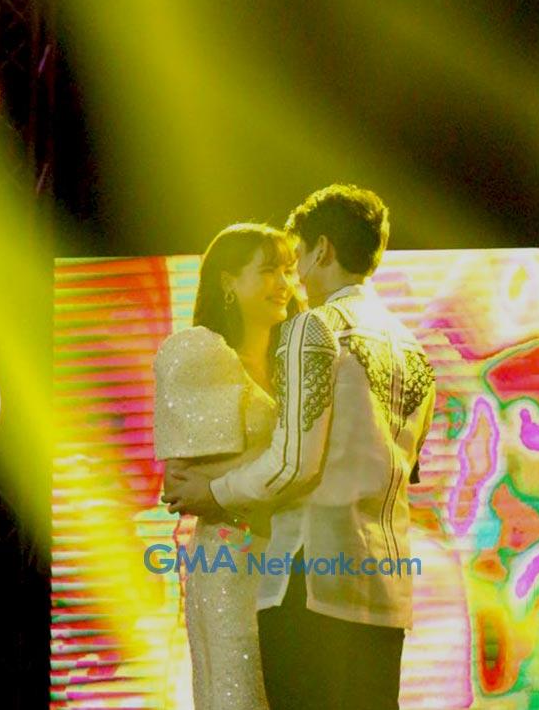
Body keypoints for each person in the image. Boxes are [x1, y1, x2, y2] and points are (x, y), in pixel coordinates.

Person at [164, 185, 436, 710]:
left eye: (296, 259)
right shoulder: (413, 346)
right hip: (384, 587)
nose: (294, 279)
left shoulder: (313, 328)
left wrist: (214, 491)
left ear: (323, 250)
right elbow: (408, 467)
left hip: (309, 579)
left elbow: (294, 465)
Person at [152, 222, 300, 710]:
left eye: (288, 270)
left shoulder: (296, 365)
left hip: (296, 561)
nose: (283, 283)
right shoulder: (202, 355)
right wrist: (245, 497)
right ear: (228, 282)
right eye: (269, 270)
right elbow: (180, 482)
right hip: (231, 559)